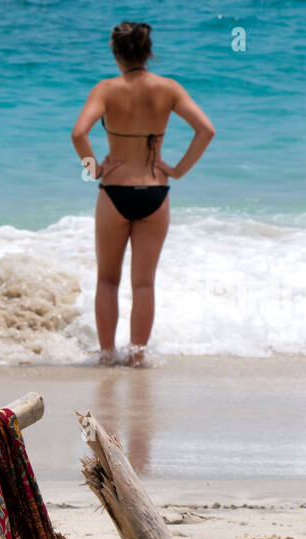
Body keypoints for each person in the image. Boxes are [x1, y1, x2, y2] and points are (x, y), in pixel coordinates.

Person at [71, 22, 214, 366]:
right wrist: (177, 170)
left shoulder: (106, 89)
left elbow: (78, 134)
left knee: (107, 279)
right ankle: (137, 358)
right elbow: (206, 130)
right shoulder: (168, 88)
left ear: (115, 53)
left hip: (115, 191)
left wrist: (94, 170)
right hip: (154, 191)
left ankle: (106, 356)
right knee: (144, 284)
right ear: (148, 52)